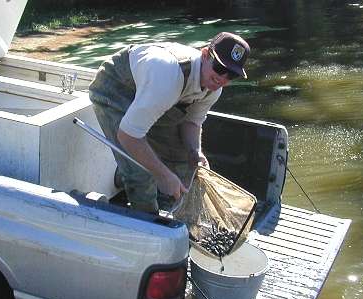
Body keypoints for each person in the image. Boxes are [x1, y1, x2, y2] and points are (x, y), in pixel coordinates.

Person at [89, 32, 250, 214]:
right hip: (116, 88)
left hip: (155, 98)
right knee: (141, 174)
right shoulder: (167, 76)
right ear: (205, 54)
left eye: (231, 75)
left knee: (186, 163)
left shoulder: (213, 89)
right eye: (220, 68)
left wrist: (194, 151)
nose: (223, 79)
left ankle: (125, 176)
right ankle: (149, 228)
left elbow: (191, 122)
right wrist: (163, 175)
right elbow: (128, 136)